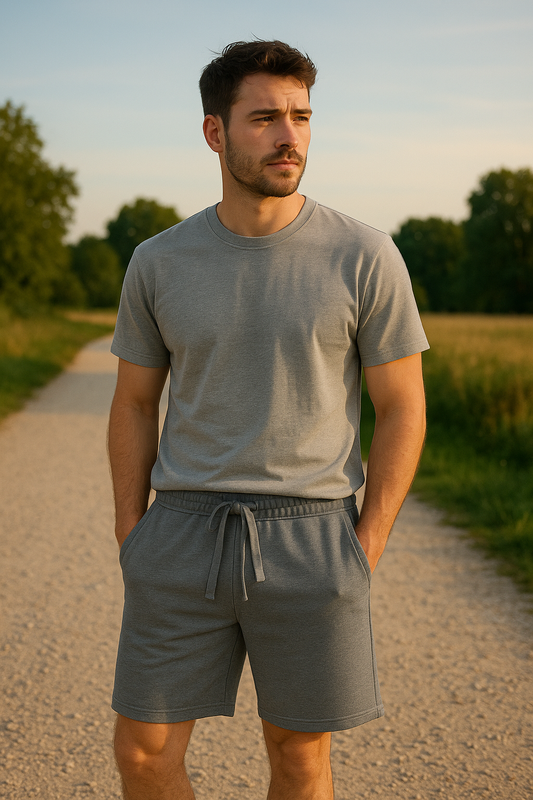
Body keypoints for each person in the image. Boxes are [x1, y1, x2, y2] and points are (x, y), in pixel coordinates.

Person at [108, 39, 429, 800]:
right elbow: (133, 402)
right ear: (215, 131)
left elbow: (402, 406)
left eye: (301, 116)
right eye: (264, 118)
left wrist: (366, 541)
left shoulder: (364, 254)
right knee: (144, 753)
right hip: (182, 533)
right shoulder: (158, 261)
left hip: (312, 535)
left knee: (297, 755)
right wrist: (132, 531)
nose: (289, 136)